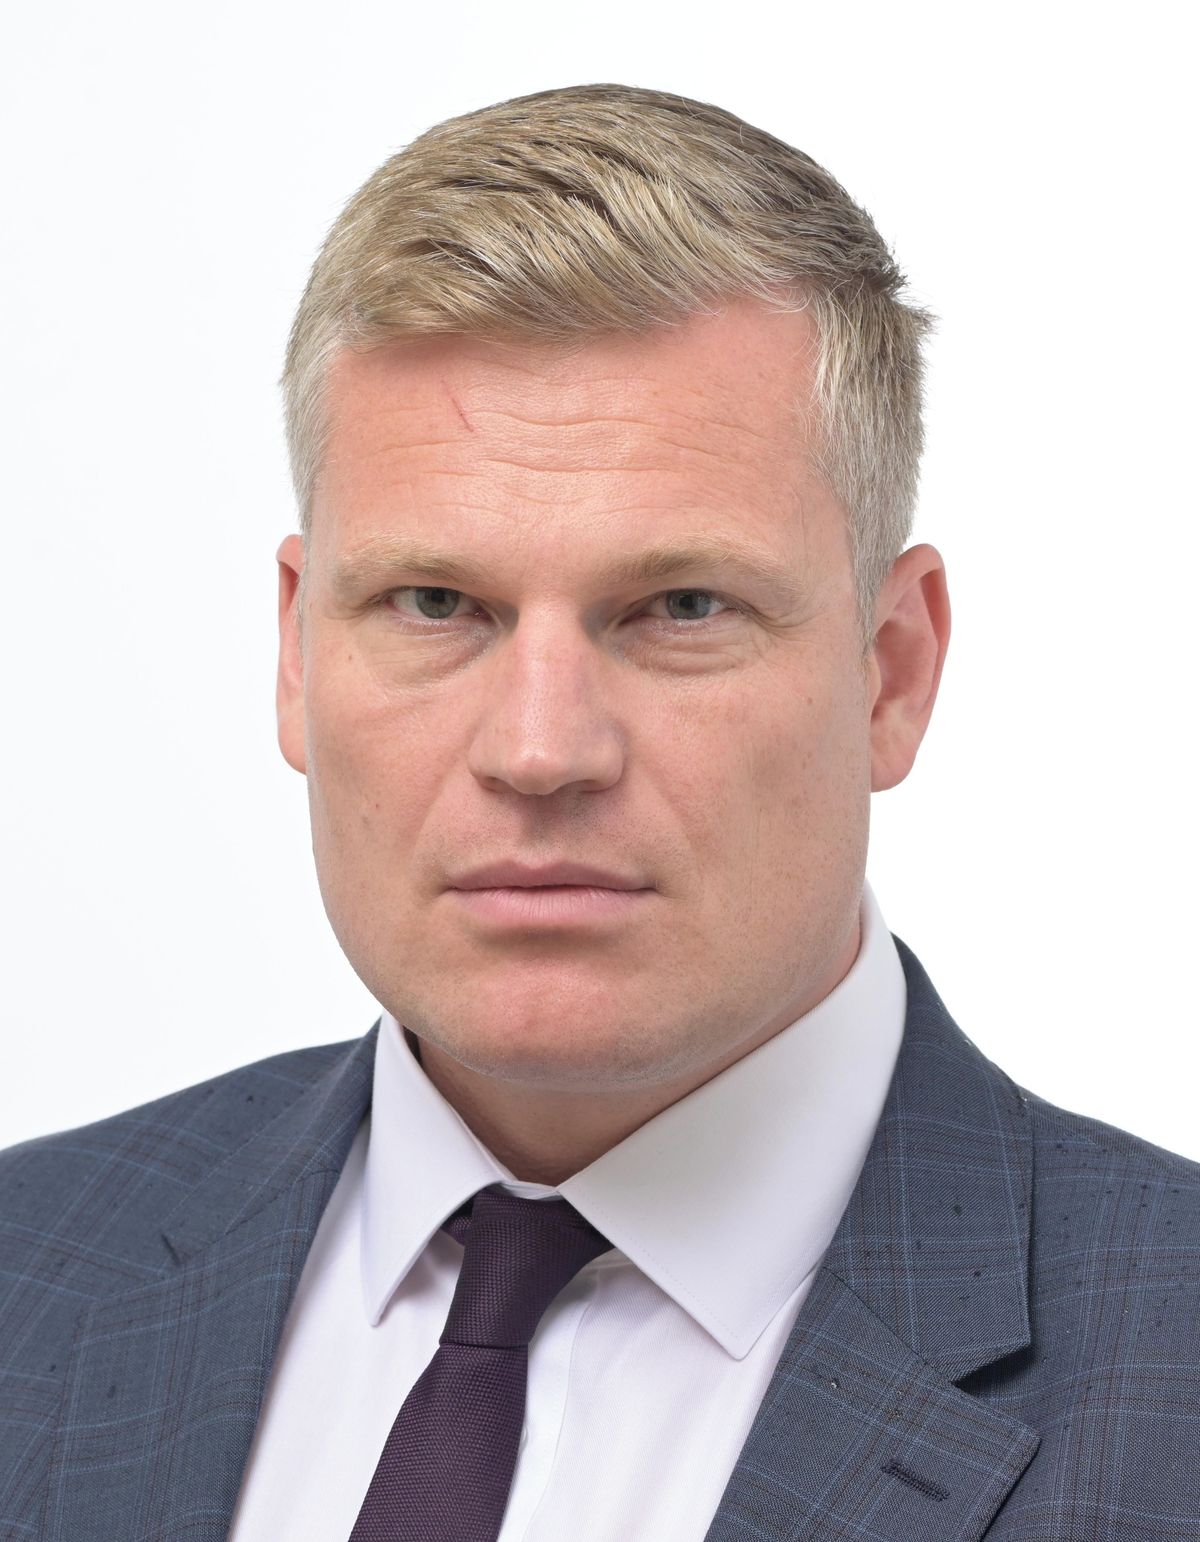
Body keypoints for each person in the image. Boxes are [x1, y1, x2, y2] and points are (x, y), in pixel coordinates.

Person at [1, 82, 1197, 1542]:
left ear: (892, 670)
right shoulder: (27, 1272)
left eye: (681, 606)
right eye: (434, 602)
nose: (540, 748)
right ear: (298, 654)